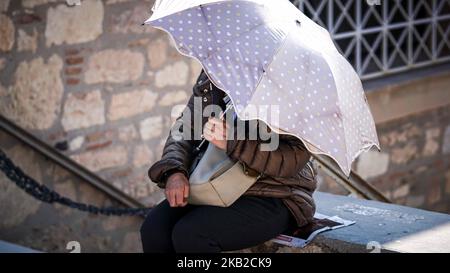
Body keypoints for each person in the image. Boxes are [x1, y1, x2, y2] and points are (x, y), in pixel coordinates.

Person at [140, 69, 317, 253]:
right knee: (154, 229)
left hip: (275, 192)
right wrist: (174, 170)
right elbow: (185, 129)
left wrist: (233, 142)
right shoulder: (218, 69)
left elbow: (292, 159)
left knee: (192, 234)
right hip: (215, 181)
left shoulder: (293, 83)